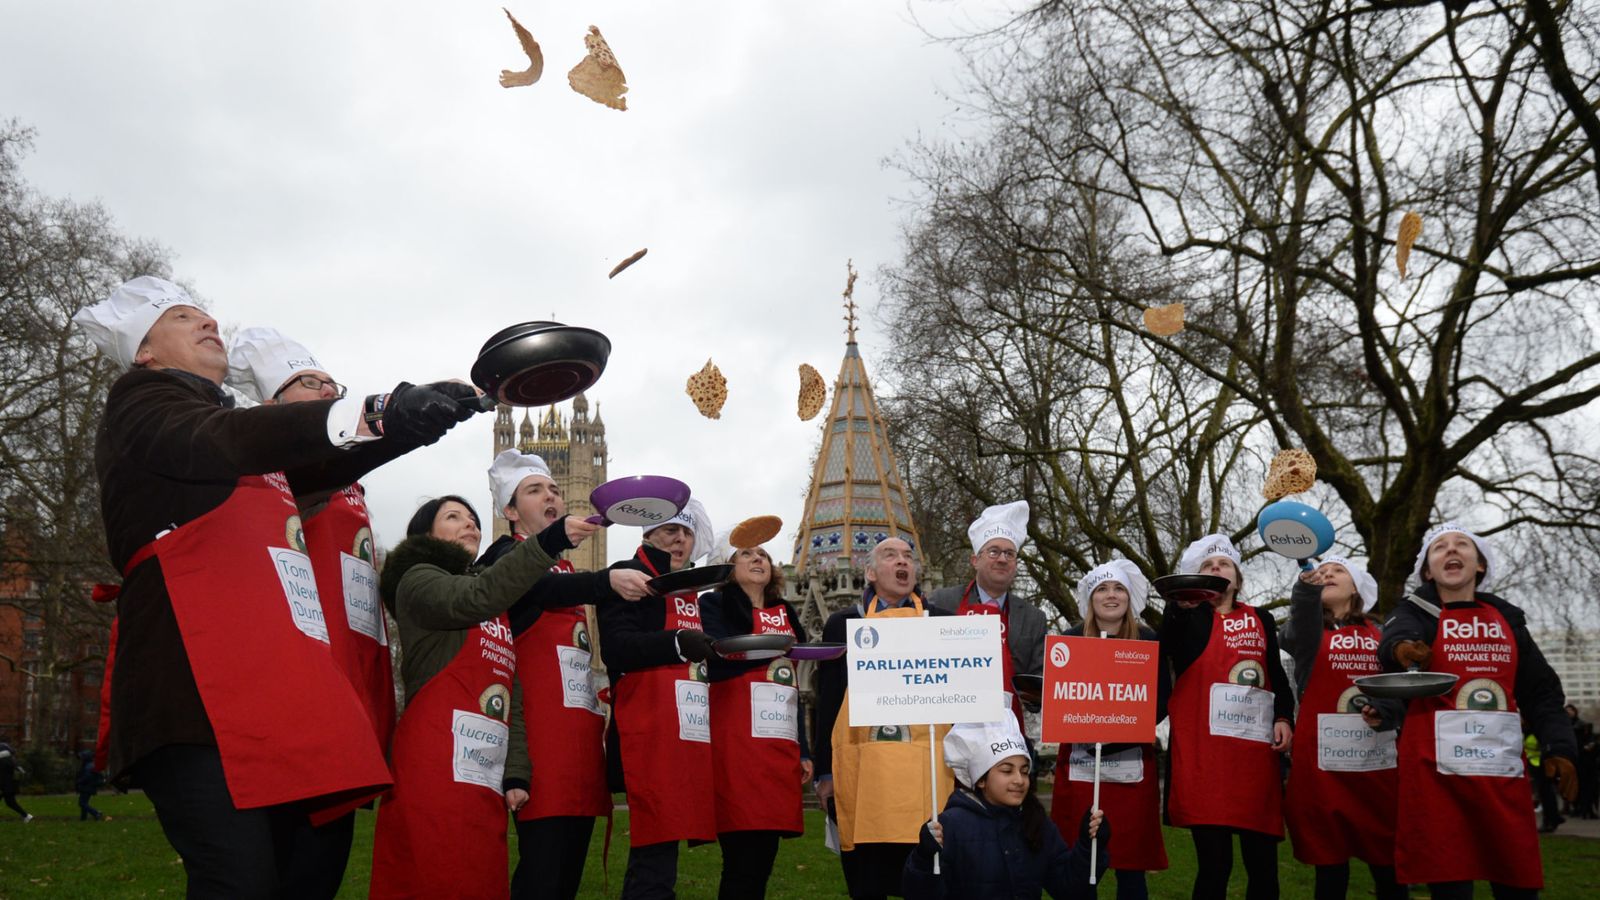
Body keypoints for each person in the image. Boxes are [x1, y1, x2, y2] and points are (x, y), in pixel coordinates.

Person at [74, 276, 480, 896]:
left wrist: (415, 420)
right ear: (145, 352)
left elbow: (326, 465)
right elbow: (226, 440)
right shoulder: (143, 401)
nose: (209, 323)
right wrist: (374, 409)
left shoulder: (226, 426)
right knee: (239, 881)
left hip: (262, 689)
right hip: (191, 695)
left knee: (296, 878)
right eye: (184, 317)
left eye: (208, 315)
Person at [225, 326, 395, 895]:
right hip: (299, 685)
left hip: (353, 678)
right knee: (285, 863)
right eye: (308, 382)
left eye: (330, 381)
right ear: (271, 406)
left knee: (322, 867)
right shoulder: (271, 461)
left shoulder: (347, 475)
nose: (327, 389)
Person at [370, 495, 605, 898]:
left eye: (474, 519)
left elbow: (506, 691)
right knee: (432, 878)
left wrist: (515, 771)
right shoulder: (418, 578)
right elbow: (475, 598)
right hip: (437, 760)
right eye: (453, 517)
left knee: (481, 880)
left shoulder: (491, 599)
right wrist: (547, 542)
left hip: (483, 769)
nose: (470, 525)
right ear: (426, 534)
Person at [476, 450, 651, 900]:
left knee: (567, 878)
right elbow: (537, 588)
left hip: (578, 747)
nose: (551, 495)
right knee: (543, 877)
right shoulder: (503, 557)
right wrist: (605, 580)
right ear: (510, 512)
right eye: (535, 491)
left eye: (554, 489)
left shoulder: (566, 566)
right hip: (539, 749)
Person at [1376, 523, 1578, 898]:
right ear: (1427, 570)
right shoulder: (1414, 612)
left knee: (1515, 882)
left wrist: (1560, 748)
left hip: (1500, 775)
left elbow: (1542, 693)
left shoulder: (1509, 620)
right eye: (1439, 547)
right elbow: (1392, 639)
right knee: (1449, 885)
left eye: (1461, 545)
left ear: (1480, 564)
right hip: (1436, 779)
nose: (1451, 550)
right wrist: (1402, 648)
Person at [815, 537, 955, 900]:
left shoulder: (943, 622)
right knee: (868, 880)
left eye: (908, 556)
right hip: (867, 776)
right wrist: (825, 773)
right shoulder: (842, 624)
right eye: (890, 556)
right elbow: (829, 701)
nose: (902, 562)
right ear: (870, 573)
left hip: (927, 776)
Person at [1159, 533, 1292, 900]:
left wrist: (1284, 717)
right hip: (1206, 757)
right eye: (1207, 566)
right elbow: (1166, 645)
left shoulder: (1262, 619)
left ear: (1237, 576)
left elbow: (1276, 677)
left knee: (1262, 866)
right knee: (1215, 866)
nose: (1216, 569)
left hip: (1254, 758)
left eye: (1223, 564)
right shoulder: (1187, 618)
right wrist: (1181, 604)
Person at [600, 499, 720, 899]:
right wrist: (676, 643)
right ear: (648, 534)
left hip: (685, 732)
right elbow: (616, 649)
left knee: (662, 854)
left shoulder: (688, 589)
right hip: (647, 733)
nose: (680, 540)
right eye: (671, 531)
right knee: (653, 856)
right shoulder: (627, 577)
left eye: (686, 533)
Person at [1279, 557, 1404, 900]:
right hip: (1323, 771)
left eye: (1338, 571)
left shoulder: (1384, 635)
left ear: (1357, 588)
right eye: (1324, 572)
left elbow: (1399, 691)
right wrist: (1306, 586)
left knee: (1388, 869)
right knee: (1330, 870)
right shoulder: (1304, 633)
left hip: (1377, 768)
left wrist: (1386, 710)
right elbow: (1299, 620)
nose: (1328, 574)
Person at [700, 529, 812, 899]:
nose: (758, 559)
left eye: (763, 554)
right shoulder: (713, 607)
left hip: (779, 745)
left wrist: (805, 749)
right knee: (741, 854)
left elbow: (791, 685)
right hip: (737, 739)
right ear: (728, 568)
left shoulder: (787, 612)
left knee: (765, 851)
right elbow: (715, 660)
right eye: (746, 554)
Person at [1052, 560, 1167, 899]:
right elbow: (1061, 697)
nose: (1111, 595)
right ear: (1091, 599)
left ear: (1129, 597)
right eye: (1102, 589)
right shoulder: (1070, 640)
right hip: (1080, 763)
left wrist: (1121, 729)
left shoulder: (1147, 639)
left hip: (1130, 765)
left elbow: (1161, 699)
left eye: (1118, 588)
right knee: (1082, 861)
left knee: (1130, 865)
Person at [904, 719, 1108, 899]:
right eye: (1007, 770)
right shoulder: (951, 824)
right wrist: (924, 859)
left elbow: (1070, 888)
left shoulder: (1036, 821)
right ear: (981, 779)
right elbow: (922, 893)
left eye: (1025, 771)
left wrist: (1089, 847)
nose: (1019, 780)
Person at [929, 501, 1047, 730]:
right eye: (993, 551)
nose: (1002, 559)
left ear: (1015, 564)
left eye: (1009, 553)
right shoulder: (941, 603)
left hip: (1009, 734)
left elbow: (1037, 688)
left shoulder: (1034, 618)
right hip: (950, 728)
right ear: (975, 560)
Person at [0, 739, 30, 822]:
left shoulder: (4, 764)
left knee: (11, 803)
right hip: (9, 786)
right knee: (11, 803)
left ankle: (26, 816)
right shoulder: (12, 763)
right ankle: (26, 816)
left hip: (4, 786)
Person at [76, 750, 106, 822]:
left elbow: (87, 777)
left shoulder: (88, 766)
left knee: (82, 803)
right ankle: (83, 818)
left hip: (87, 787)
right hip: (89, 787)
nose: (81, 760)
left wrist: (79, 782)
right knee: (84, 803)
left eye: (82, 757)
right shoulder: (91, 765)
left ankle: (96, 813)